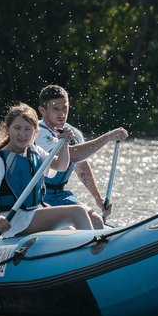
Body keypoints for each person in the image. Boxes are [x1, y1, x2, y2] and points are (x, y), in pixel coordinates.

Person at [0, 103, 94, 237]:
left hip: (35, 212)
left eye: (28, 129)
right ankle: (95, 247)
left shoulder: (35, 151)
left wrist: (64, 144)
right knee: (78, 212)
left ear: (36, 132)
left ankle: (90, 245)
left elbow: (61, 166)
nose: (22, 134)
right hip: (13, 220)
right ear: (8, 129)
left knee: (71, 231)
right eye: (17, 128)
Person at [37, 84, 129, 229]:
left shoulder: (74, 133)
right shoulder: (37, 132)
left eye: (65, 108)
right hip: (38, 196)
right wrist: (107, 137)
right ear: (42, 110)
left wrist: (98, 198)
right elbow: (72, 155)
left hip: (60, 194)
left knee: (96, 221)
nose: (62, 114)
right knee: (76, 226)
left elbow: (81, 168)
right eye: (56, 109)